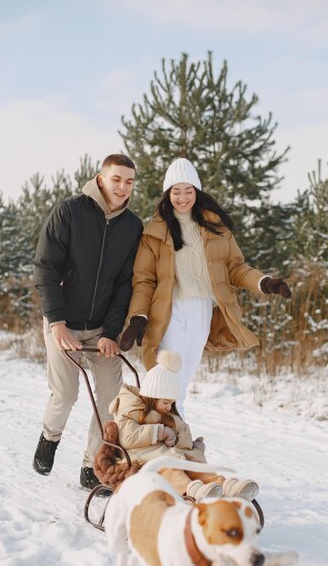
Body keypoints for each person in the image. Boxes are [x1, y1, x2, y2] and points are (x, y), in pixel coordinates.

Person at [120, 158, 291, 417]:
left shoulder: (215, 228)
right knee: (167, 376)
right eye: (176, 191)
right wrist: (138, 317)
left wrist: (263, 282)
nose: (182, 198)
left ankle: (174, 440)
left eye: (188, 191)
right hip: (169, 309)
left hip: (202, 310)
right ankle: (159, 436)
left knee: (183, 381)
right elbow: (144, 280)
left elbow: (235, 267)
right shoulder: (154, 232)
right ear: (168, 194)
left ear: (197, 192)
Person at [32, 153, 143, 491]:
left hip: (100, 330)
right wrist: (57, 322)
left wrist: (112, 332)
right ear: (100, 178)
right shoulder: (70, 211)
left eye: (129, 181)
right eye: (116, 179)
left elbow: (125, 282)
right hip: (63, 322)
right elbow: (45, 267)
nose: (122, 187)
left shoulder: (132, 226)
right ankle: (49, 439)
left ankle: (92, 465)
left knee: (111, 400)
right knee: (65, 395)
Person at [106, 349, 259, 501]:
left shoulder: (168, 415)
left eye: (172, 403)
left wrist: (191, 446)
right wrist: (159, 432)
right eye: (165, 402)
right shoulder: (131, 408)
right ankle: (192, 490)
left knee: (194, 467)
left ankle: (227, 487)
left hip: (167, 455)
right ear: (151, 397)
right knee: (171, 470)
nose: (168, 407)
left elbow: (182, 432)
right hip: (141, 459)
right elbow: (127, 437)